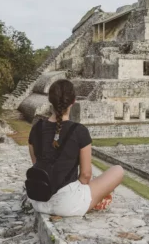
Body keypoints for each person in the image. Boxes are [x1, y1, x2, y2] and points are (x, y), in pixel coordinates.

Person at [27, 79, 123, 216]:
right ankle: (95, 200)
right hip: (66, 204)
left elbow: (37, 164)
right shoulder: (79, 131)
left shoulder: (36, 128)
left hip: (38, 200)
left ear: (50, 101)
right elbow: (85, 175)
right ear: (73, 101)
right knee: (118, 170)